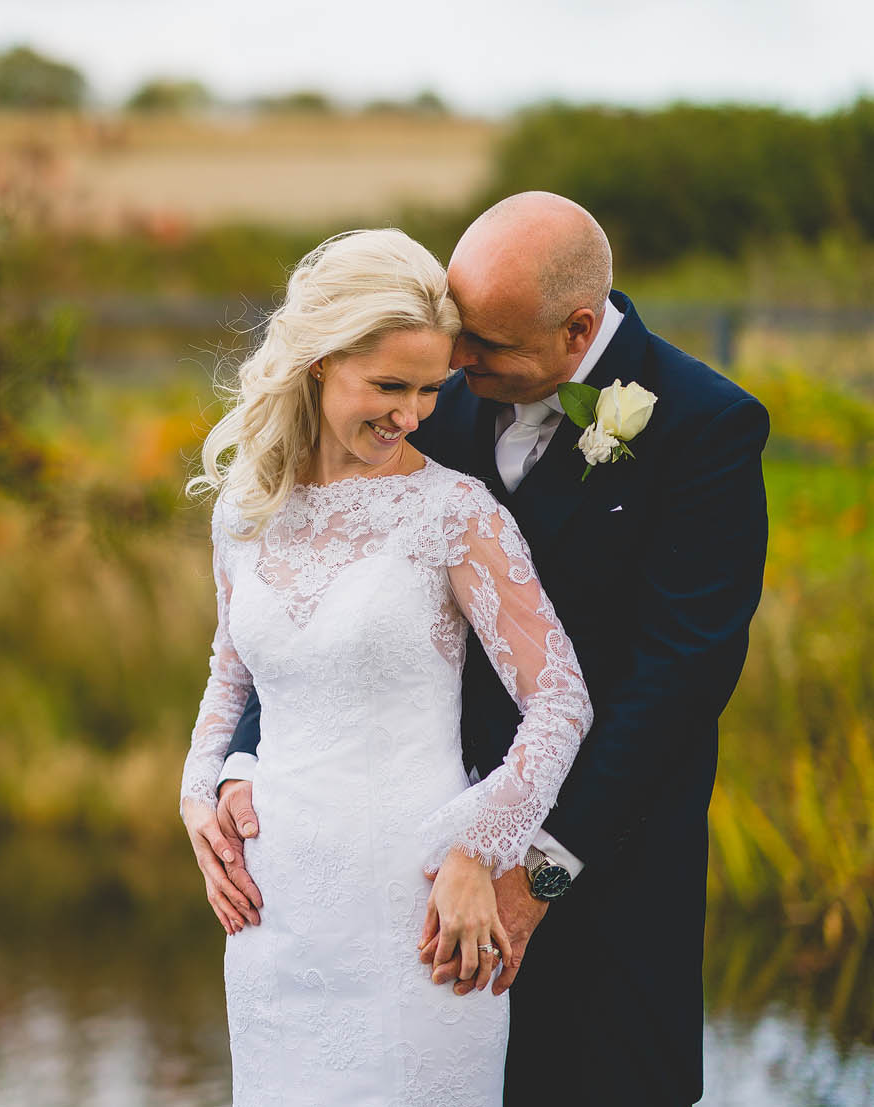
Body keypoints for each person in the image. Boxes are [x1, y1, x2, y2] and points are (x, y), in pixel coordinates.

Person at [191, 193, 770, 1106]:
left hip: (600, 869)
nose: (452, 366)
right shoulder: (431, 396)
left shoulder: (705, 427)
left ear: (577, 329)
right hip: (385, 887)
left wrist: (527, 867)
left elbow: (678, 681)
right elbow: (309, 612)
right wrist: (233, 767)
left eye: (480, 346)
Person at [178, 225, 594, 1104]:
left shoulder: (453, 512)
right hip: (275, 916)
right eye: (388, 385)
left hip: (420, 912)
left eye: (431, 389)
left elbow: (560, 700)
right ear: (321, 362)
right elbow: (231, 672)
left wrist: (475, 844)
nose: (411, 414)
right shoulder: (246, 512)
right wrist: (198, 788)